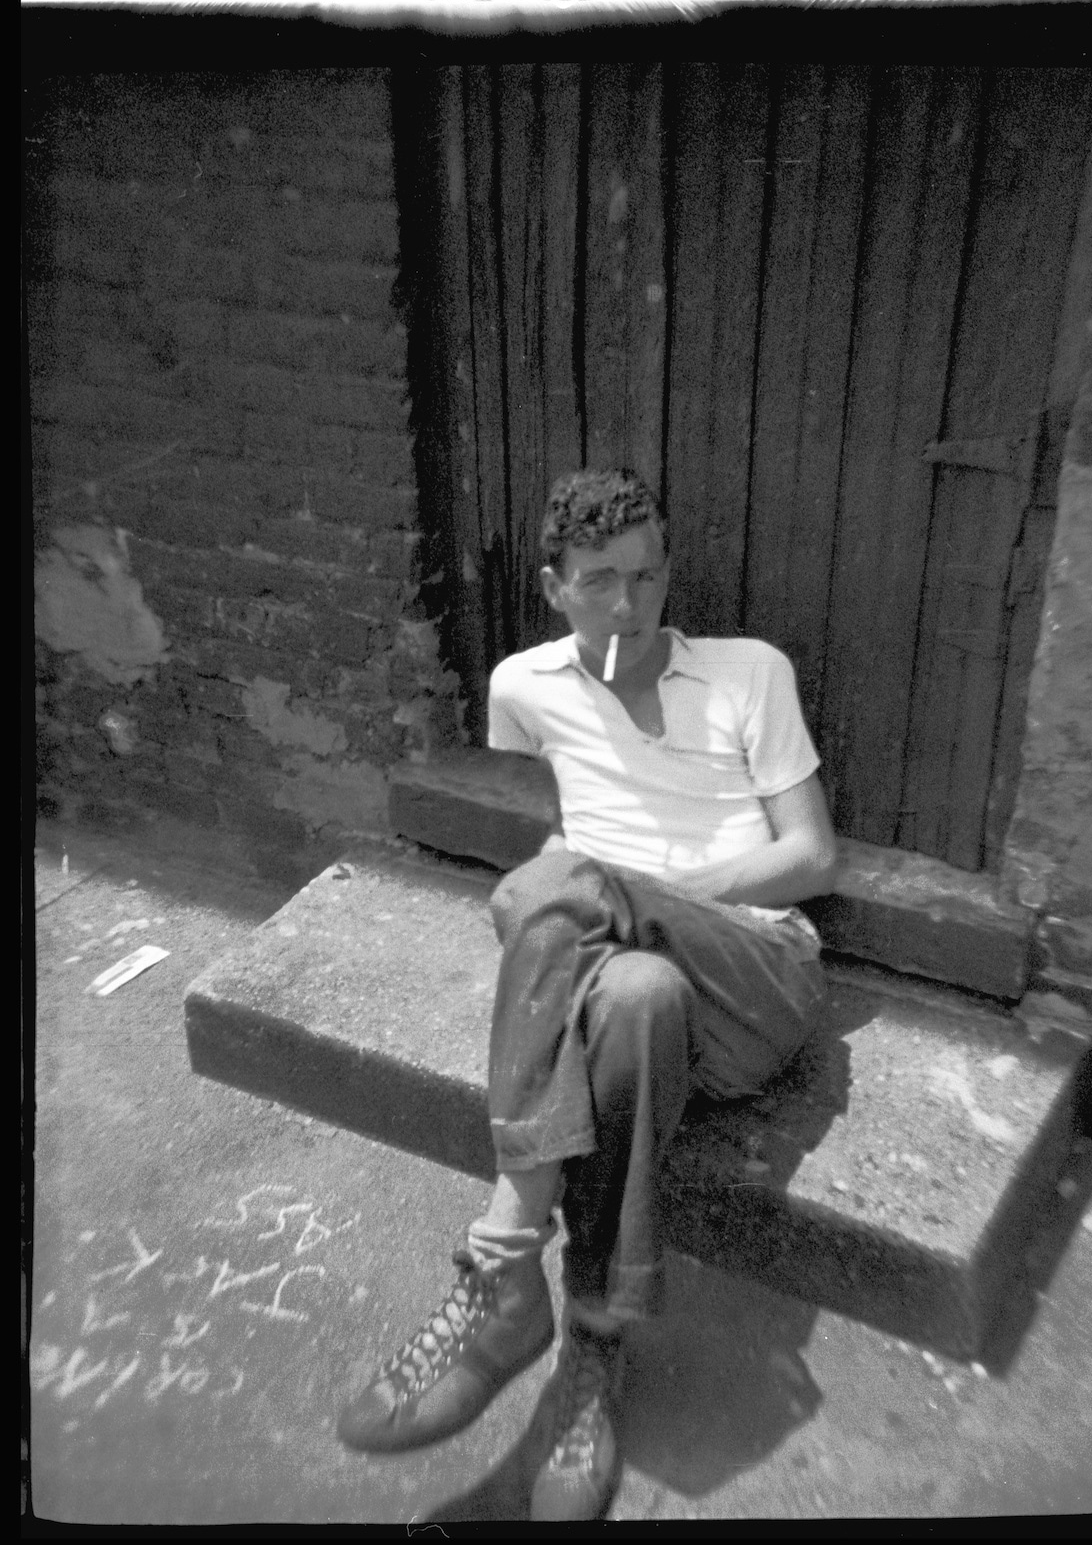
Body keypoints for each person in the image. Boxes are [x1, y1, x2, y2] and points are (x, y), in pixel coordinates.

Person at [336, 468, 838, 1520]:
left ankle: (502, 1259)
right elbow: (552, 873)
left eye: (649, 577)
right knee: (636, 998)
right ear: (555, 586)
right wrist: (588, 907)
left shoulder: (750, 673)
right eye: (602, 581)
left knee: (557, 886)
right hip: (632, 983)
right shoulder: (525, 689)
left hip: (759, 973)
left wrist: (636, 890)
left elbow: (809, 857)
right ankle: (592, 1354)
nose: (631, 604)